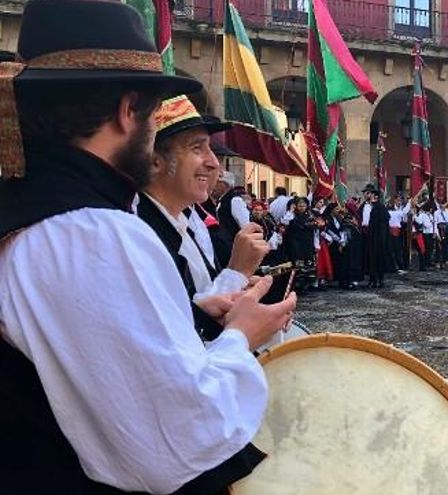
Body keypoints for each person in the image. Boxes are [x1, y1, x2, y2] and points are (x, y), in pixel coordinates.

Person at [0, 1, 297, 492]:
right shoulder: (91, 232)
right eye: (154, 118)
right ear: (127, 110)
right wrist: (239, 336)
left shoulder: (39, 209)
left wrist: (196, 312)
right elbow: (179, 440)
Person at [138, 95, 270, 339]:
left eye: (211, 149)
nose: (213, 164)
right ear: (155, 160)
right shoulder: (140, 232)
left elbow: (194, 306)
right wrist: (237, 272)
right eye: (197, 148)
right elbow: (172, 340)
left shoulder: (182, 223)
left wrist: (235, 293)